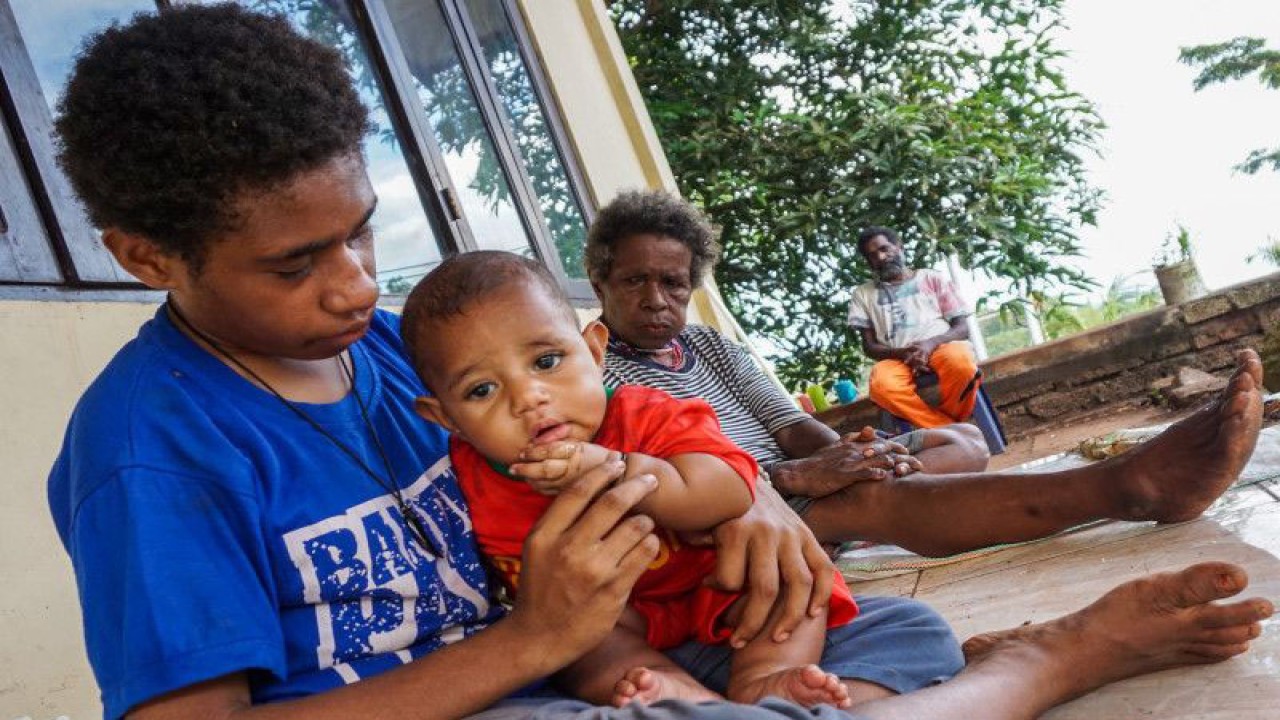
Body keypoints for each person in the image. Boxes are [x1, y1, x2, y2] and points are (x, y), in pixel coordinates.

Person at [44, 6, 1272, 720]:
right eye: (296, 263)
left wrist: (746, 506)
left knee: (847, 629)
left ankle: (956, 661)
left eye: (361, 231)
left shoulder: (387, 351)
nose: (358, 285)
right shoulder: (150, 455)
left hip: (607, 659)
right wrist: (531, 643)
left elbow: (626, 470)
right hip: (519, 692)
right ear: (147, 255)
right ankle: (1045, 662)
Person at [588, 189, 1266, 555]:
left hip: (804, 480)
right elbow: (660, 484)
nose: (657, 300)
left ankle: (857, 508)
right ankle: (1132, 485)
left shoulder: (712, 346)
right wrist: (802, 480)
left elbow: (789, 423)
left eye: (674, 284)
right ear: (601, 279)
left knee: (961, 444)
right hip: (740, 504)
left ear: (692, 286)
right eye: (636, 281)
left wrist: (856, 456)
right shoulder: (591, 372)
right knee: (881, 501)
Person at [400, 251, 864, 709]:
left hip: (720, 584)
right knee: (579, 651)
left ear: (594, 349)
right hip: (617, 617)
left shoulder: (645, 412)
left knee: (790, 581)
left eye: (546, 362)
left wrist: (616, 468)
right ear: (447, 419)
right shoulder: (463, 479)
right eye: (482, 390)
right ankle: (669, 688)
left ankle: (765, 677)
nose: (528, 398)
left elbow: (727, 490)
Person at [848, 226, 981, 428]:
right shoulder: (862, 294)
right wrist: (904, 353)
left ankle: (948, 426)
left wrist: (929, 344)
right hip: (896, 357)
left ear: (899, 247)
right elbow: (869, 347)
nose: (882, 257)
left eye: (885, 248)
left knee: (961, 365)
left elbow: (962, 328)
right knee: (882, 387)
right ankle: (947, 427)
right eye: (873, 255)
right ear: (869, 262)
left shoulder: (931, 278)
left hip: (941, 346)